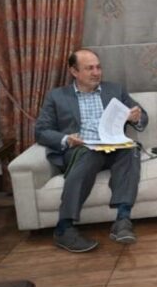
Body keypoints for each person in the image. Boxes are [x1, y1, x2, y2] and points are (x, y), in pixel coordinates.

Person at [35, 49, 148, 253]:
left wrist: (136, 117)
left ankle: (122, 220)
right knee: (89, 155)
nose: (96, 72)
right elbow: (41, 131)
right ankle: (64, 228)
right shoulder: (57, 96)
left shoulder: (115, 90)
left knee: (131, 150)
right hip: (81, 148)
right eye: (89, 68)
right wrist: (66, 139)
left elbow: (142, 116)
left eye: (98, 67)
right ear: (74, 71)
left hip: (113, 147)